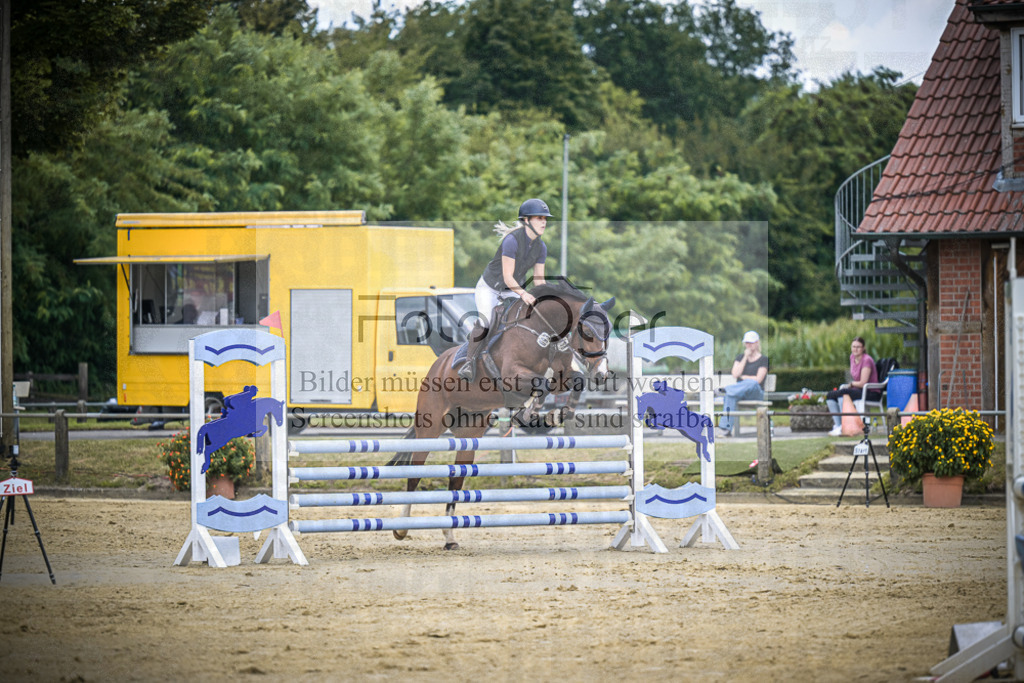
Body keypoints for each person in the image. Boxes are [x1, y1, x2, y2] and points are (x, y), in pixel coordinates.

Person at [458, 198, 551, 381]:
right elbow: (508, 276)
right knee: (486, 321)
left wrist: (546, 299)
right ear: (526, 220)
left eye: (545, 218)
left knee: (522, 320)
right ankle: (469, 362)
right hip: (490, 288)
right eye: (539, 218)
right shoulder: (511, 241)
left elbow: (539, 280)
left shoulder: (541, 247)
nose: (544, 222)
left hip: (512, 290)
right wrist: (524, 293)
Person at [717, 330, 769, 437]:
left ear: (757, 342)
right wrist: (745, 357)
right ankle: (726, 429)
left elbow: (758, 380)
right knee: (730, 395)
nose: (748, 345)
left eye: (751, 342)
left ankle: (726, 389)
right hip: (740, 393)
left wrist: (745, 378)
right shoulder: (740, 358)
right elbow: (735, 374)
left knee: (752, 383)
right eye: (747, 343)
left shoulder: (763, 359)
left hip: (755, 393)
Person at [825, 337, 879, 436]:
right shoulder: (852, 357)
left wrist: (851, 384)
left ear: (863, 348)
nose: (855, 349)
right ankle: (838, 425)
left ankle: (844, 426)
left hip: (870, 392)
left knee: (844, 393)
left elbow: (863, 382)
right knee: (830, 395)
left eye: (858, 347)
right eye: (854, 347)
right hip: (858, 390)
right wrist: (851, 385)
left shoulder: (866, 360)